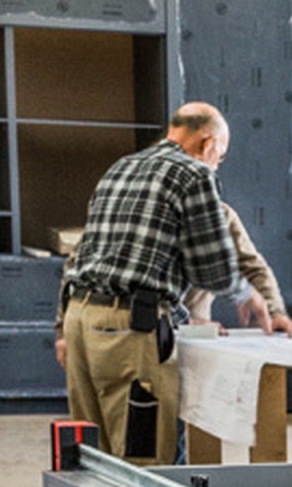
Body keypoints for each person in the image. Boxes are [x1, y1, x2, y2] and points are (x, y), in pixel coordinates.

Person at [51, 103, 245, 463]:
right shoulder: (195, 175)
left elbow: (80, 254)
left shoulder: (120, 168)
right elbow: (214, 268)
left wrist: (63, 328)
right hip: (131, 331)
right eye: (220, 155)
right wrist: (231, 305)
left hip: (80, 323)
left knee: (91, 458)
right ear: (208, 144)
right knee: (147, 460)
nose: (218, 164)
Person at [186, 204, 292, 338]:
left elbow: (254, 269)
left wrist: (273, 314)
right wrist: (186, 323)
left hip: (196, 338)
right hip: (173, 332)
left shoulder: (220, 213)